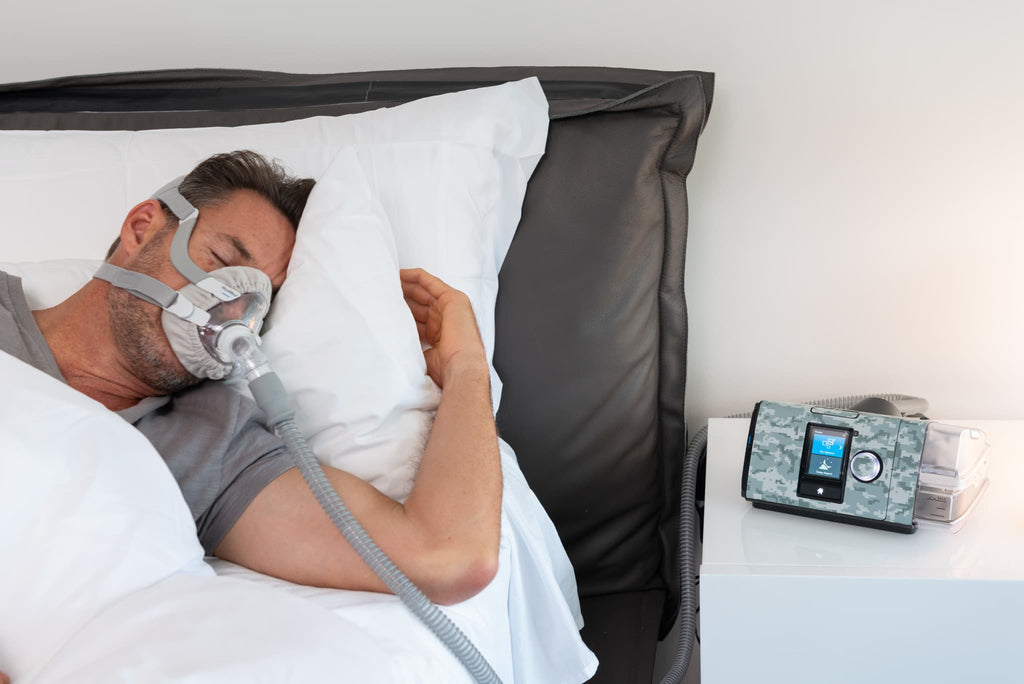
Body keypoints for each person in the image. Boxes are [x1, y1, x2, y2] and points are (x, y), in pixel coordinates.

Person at [1, 150, 502, 610]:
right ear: (141, 228)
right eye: (222, 262)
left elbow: (448, 558)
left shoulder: (210, 445)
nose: (228, 308)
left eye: (257, 301)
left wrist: (465, 368)